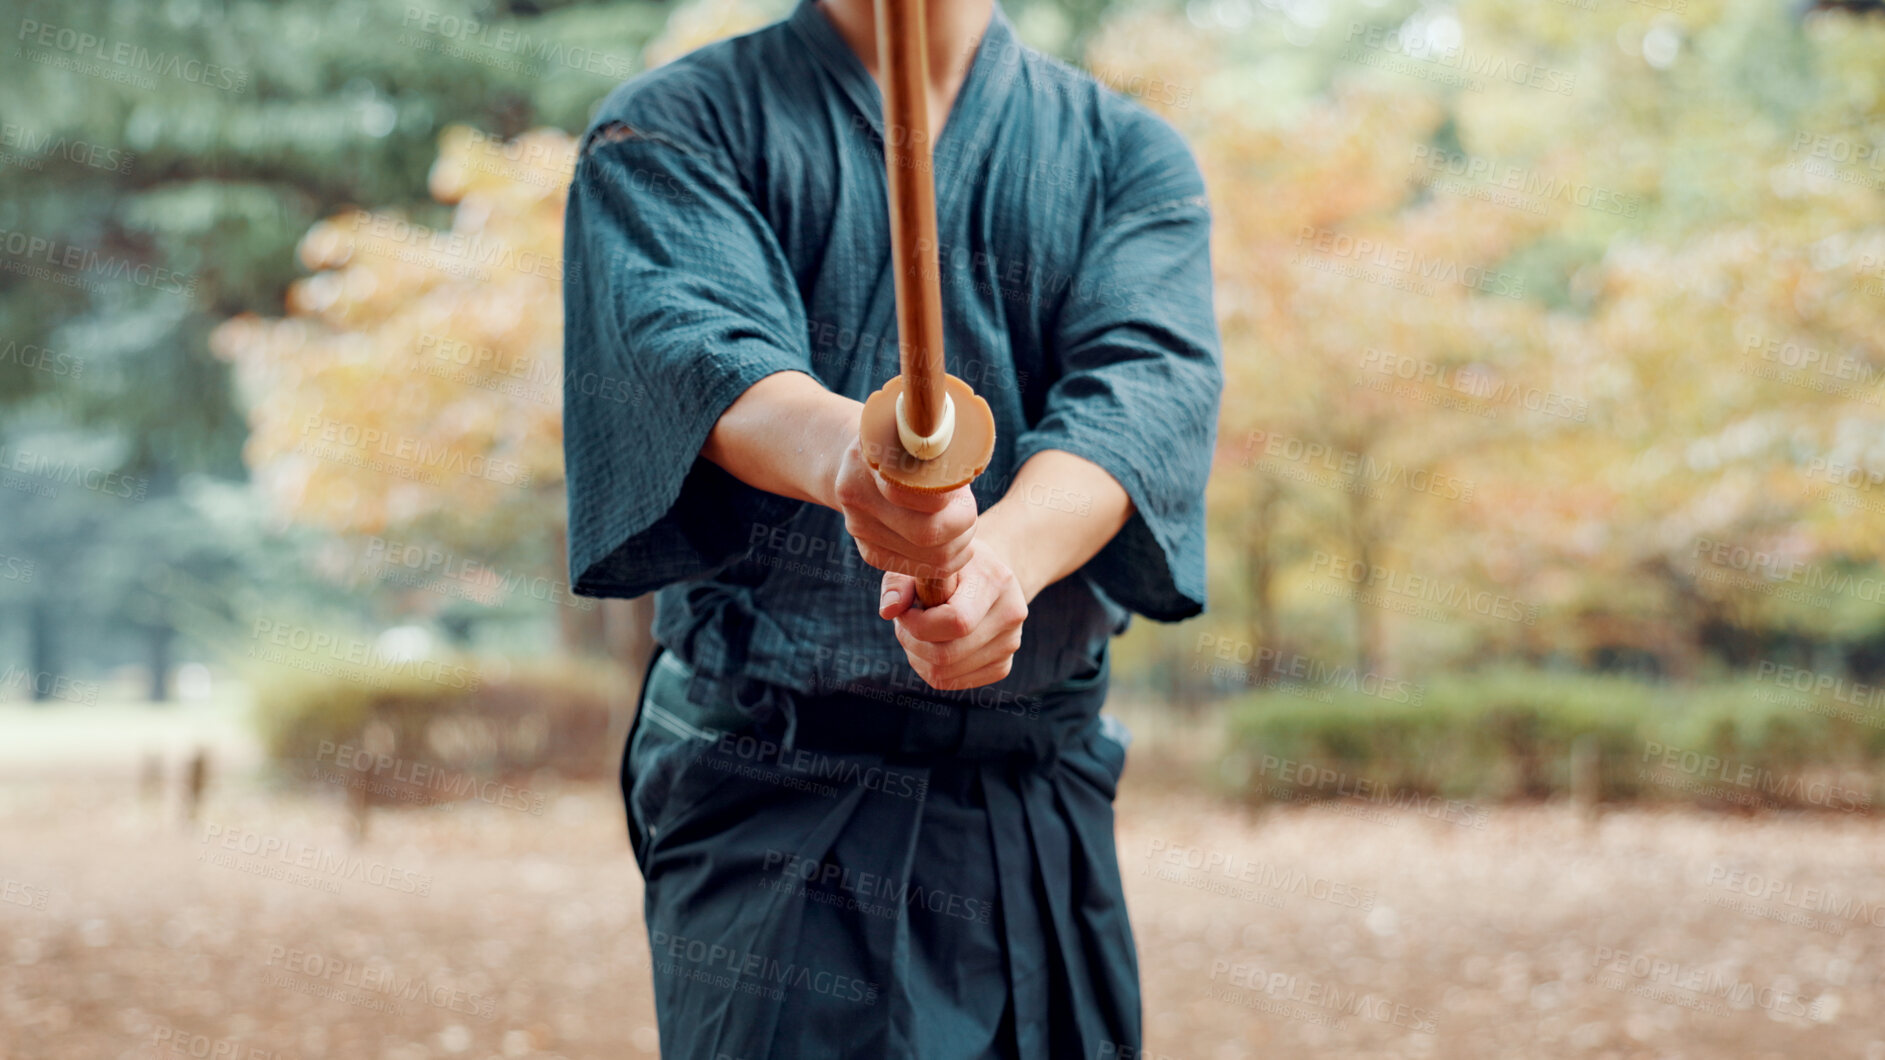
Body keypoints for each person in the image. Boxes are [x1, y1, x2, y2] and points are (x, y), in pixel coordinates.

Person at [560, 0, 1221, 1055]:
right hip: (780, 785)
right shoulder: (678, 125)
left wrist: (994, 562)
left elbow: (1146, 391)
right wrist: (862, 464)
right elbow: (694, 347)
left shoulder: (1124, 154)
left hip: (1034, 783)